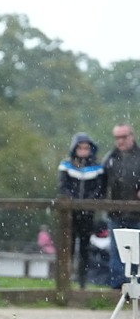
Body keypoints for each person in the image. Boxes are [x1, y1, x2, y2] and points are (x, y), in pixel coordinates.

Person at [57, 132, 105, 288]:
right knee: (68, 247)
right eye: (81, 148)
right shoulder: (66, 165)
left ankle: (82, 282)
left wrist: (88, 203)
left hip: (88, 214)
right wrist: (74, 202)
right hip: (70, 215)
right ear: (75, 149)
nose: (83, 151)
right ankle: (65, 282)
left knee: (85, 248)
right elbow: (63, 187)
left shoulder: (97, 167)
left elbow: (100, 189)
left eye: (86, 148)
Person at [103, 124, 140, 289]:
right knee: (116, 251)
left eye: (123, 137)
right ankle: (118, 287)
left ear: (131, 136)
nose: (120, 141)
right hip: (115, 213)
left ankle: (136, 286)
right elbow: (101, 184)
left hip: (137, 214)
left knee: (137, 252)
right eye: (117, 137)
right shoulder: (109, 159)